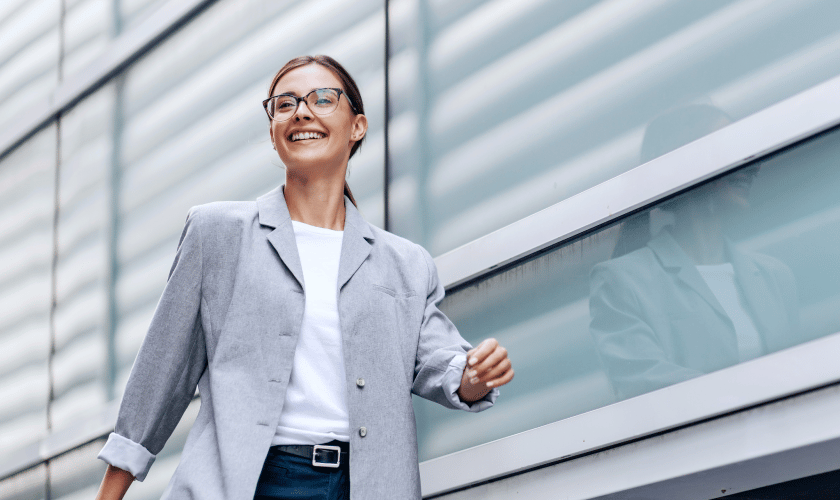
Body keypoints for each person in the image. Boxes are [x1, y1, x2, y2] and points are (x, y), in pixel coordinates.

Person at [94, 55, 514, 500]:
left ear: (358, 126)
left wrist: (473, 375)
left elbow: (438, 363)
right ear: (274, 131)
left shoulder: (405, 263)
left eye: (322, 98)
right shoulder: (217, 234)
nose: (301, 111)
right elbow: (159, 379)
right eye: (285, 103)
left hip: (365, 486)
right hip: (251, 483)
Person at [589, 104, 799, 400]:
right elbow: (647, 388)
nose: (753, 164)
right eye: (730, 147)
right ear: (684, 164)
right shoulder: (622, 283)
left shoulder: (775, 278)